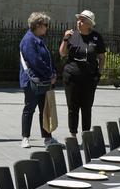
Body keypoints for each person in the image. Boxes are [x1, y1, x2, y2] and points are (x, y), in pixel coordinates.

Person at [59, 9, 107, 138]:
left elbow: (102, 57)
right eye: (78, 19)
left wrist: (99, 74)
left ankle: (86, 135)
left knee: (86, 107)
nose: (79, 22)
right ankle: (73, 135)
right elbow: (62, 53)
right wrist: (65, 39)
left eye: (82, 20)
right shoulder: (71, 35)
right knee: (72, 107)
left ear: (89, 24)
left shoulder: (96, 37)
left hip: (89, 78)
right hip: (71, 77)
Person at [19, 12, 60, 148]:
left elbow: (47, 58)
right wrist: (49, 74)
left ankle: (47, 137)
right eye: (45, 25)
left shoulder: (38, 39)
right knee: (30, 108)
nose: (47, 28)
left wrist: (53, 72)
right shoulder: (29, 40)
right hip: (32, 81)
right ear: (37, 25)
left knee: (45, 109)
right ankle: (25, 137)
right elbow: (35, 61)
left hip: (43, 80)